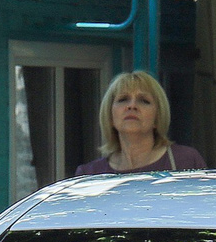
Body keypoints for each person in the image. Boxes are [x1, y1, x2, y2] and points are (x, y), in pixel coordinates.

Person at [73, 71, 206, 175]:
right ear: (110, 116)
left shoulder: (186, 161)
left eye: (143, 100)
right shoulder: (89, 174)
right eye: (123, 99)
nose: (132, 106)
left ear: (157, 117)